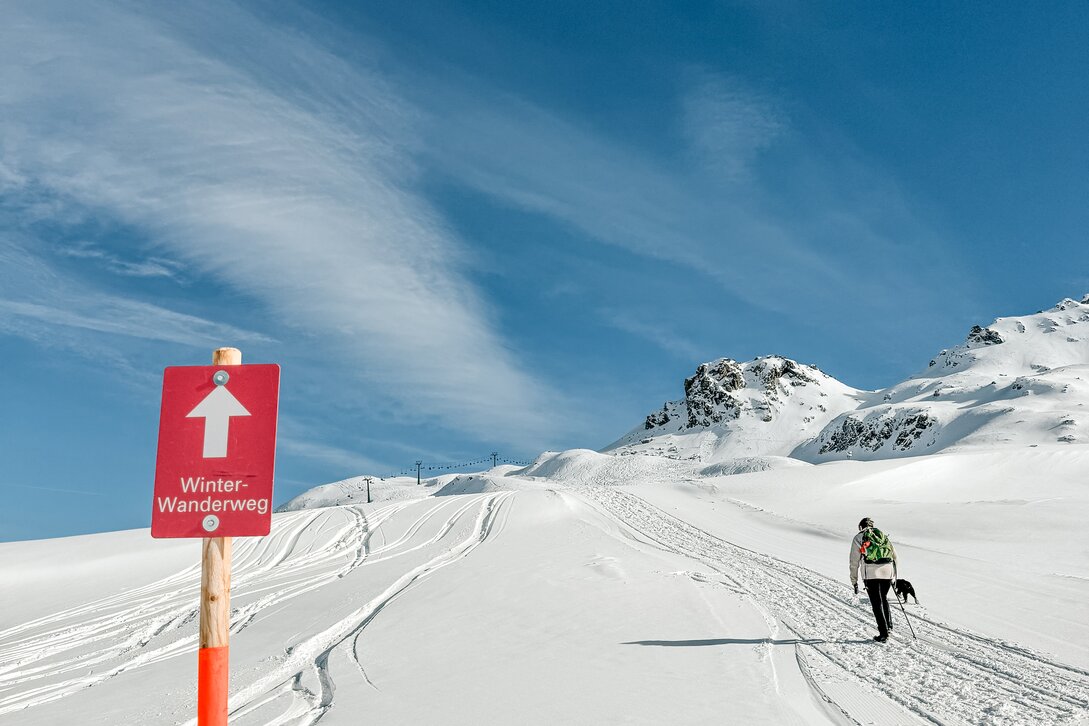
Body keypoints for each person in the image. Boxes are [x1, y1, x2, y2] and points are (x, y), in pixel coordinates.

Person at [849, 517, 898, 642]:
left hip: (871, 574)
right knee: (883, 598)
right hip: (887, 572)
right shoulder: (882, 536)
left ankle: (883, 634)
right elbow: (895, 557)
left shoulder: (859, 538)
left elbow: (854, 562)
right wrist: (893, 576)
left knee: (876, 603)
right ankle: (889, 626)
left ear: (861, 526)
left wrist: (854, 581)